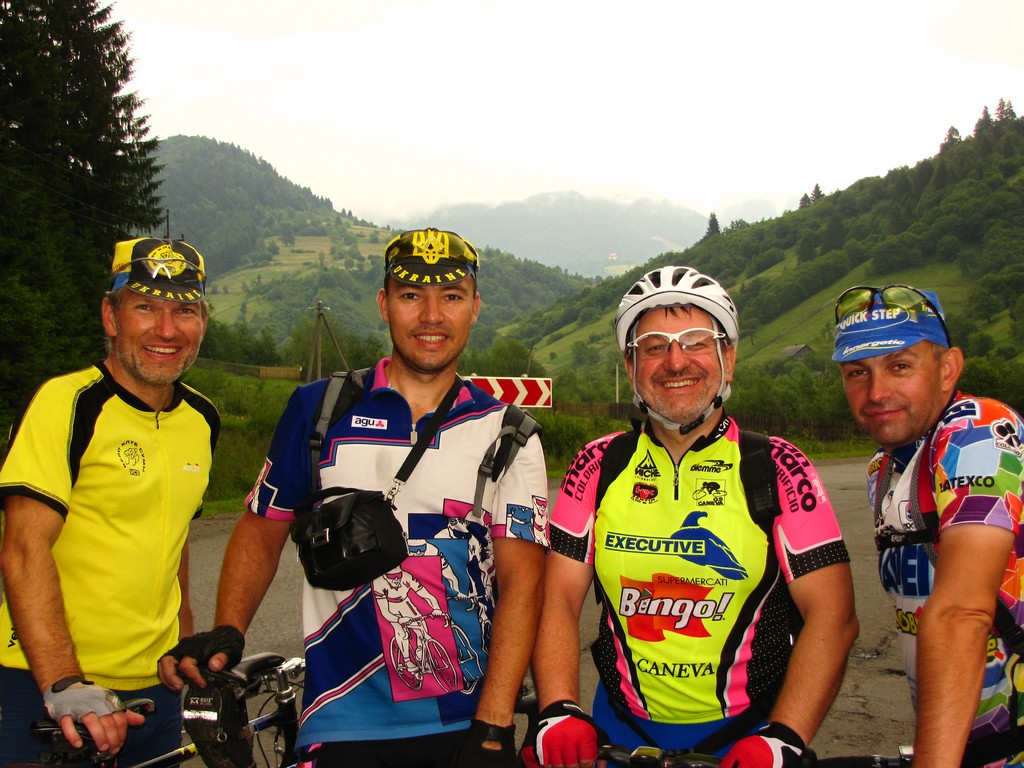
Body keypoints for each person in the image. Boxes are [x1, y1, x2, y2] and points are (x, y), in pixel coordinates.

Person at [158, 227, 549, 768]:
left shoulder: (509, 433)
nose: (431, 316)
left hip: (465, 719)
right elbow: (261, 529)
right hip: (341, 717)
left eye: (451, 297)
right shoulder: (320, 410)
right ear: (384, 304)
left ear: (475, 308)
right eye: (411, 296)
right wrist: (230, 629)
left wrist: (494, 723)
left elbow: (523, 584)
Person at [529, 266, 858, 768]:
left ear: (728, 357)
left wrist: (785, 735)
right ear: (631, 365)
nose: (676, 360)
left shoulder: (778, 465)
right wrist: (558, 708)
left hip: (748, 737)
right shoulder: (597, 464)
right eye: (654, 346)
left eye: (696, 342)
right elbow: (557, 597)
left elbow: (834, 615)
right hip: (620, 733)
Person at [0, 238, 218, 764]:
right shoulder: (67, 403)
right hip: (48, 685)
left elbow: (173, 538)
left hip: (156, 689)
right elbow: (24, 549)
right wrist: (63, 681)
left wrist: (184, 641)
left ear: (203, 322)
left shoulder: (202, 419)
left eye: (184, 311)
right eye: (145, 307)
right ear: (110, 315)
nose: (166, 330)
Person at [833, 284, 1024, 768]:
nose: (877, 392)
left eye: (900, 366)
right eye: (858, 372)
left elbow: (961, 613)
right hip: (965, 746)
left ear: (948, 369)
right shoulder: (884, 468)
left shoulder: (979, 432)